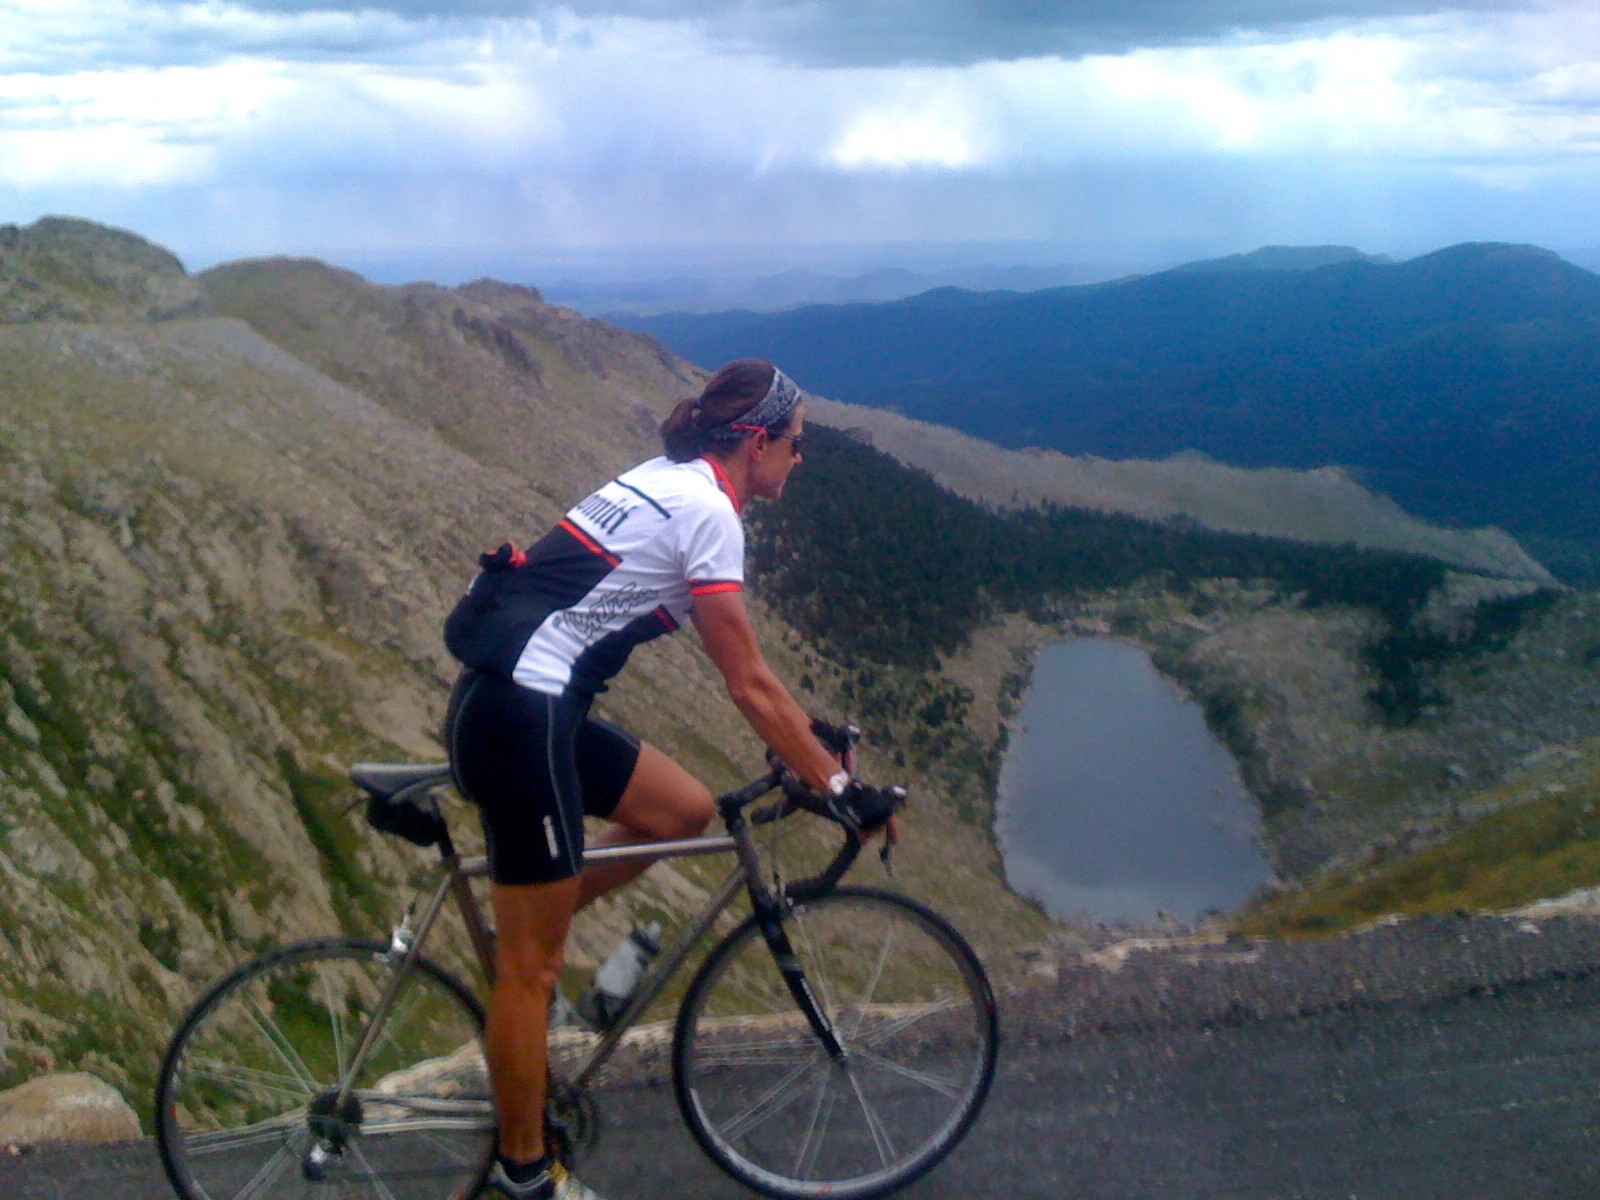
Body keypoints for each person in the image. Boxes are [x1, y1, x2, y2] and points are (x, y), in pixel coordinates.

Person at [443, 360, 894, 1200]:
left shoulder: (666, 480)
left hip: (521, 701)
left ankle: (532, 915)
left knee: (681, 811)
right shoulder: (710, 514)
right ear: (757, 443)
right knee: (533, 972)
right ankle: (525, 1175)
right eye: (797, 445)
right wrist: (839, 790)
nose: (802, 460)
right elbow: (747, 684)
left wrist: (810, 741)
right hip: (524, 716)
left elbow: (753, 674)